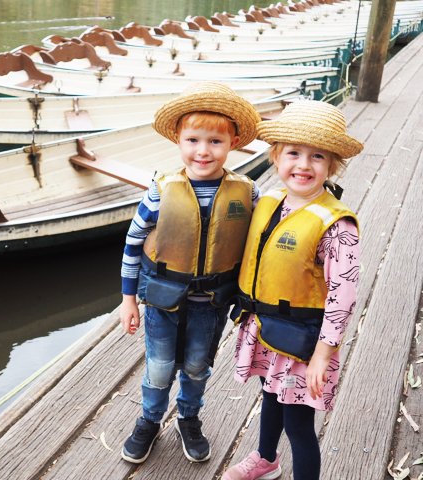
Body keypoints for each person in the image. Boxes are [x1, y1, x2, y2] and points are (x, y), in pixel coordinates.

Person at [119, 81, 262, 464]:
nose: (203, 151)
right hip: (163, 300)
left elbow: (260, 244)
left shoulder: (247, 193)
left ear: (233, 143)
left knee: (198, 366)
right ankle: (149, 419)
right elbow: (133, 244)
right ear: (178, 142)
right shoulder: (159, 192)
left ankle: (189, 417)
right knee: (160, 367)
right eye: (193, 140)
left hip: (212, 303)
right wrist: (127, 299)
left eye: (215, 142)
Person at [222, 100, 363, 480]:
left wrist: (322, 354)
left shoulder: (337, 226)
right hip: (266, 328)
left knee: (299, 424)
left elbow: (343, 296)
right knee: (270, 395)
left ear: (332, 165)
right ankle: (266, 459)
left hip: (305, 343)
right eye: (293, 153)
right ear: (275, 156)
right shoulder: (268, 200)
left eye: (317, 156)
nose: (303, 165)